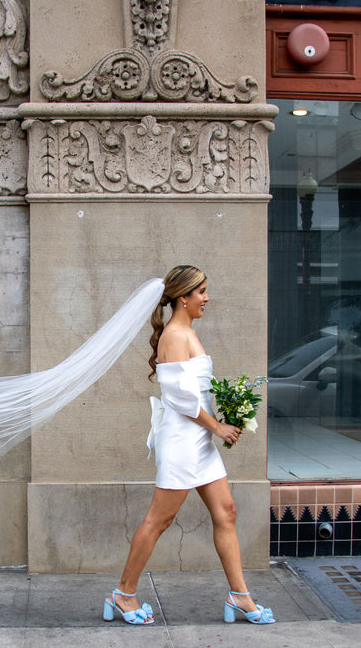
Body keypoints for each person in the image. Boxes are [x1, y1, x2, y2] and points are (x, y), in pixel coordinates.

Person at [103, 265, 275, 626]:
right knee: (160, 519)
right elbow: (180, 399)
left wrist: (229, 412)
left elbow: (197, 391)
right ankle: (123, 594)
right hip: (183, 441)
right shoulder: (175, 336)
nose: (207, 299)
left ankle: (239, 596)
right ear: (183, 297)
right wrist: (218, 427)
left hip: (199, 439)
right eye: (202, 292)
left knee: (226, 512)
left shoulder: (186, 332)